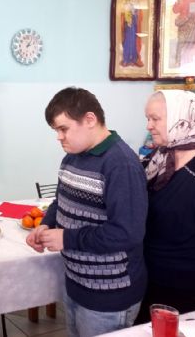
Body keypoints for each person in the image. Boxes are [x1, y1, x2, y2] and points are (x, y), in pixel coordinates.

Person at [26, 87, 147, 337]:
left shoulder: (121, 164)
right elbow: (60, 201)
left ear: (90, 119)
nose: (59, 137)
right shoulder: (72, 157)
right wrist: (46, 224)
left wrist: (67, 238)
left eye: (64, 129)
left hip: (109, 295)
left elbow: (127, 233)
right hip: (76, 284)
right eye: (56, 131)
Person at [134, 90, 195, 323]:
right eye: (147, 118)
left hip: (189, 287)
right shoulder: (159, 158)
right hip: (152, 277)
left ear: (182, 118)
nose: (149, 126)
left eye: (155, 119)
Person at [121, 0, 144, 67]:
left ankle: (134, 59)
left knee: (134, 42)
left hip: (135, 25)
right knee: (127, 41)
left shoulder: (138, 3)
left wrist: (136, 14)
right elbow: (125, 12)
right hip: (129, 25)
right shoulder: (128, 1)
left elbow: (140, 14)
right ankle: (126, 59)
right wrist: (128, 20)